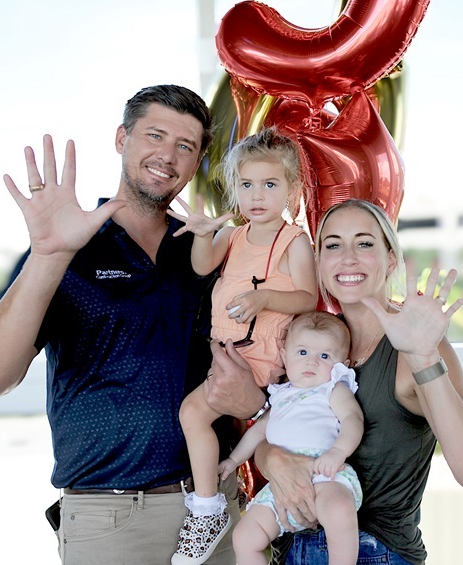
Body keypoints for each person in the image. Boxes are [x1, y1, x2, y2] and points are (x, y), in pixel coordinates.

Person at [0, 84, 266, 565]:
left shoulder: (210, 252)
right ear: (122, 138)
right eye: (155, 135)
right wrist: (48, 257)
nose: (167, 156)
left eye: (185, 146)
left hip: (217, 512)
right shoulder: (64, 246)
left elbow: (260, 365)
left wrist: (253, 398)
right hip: (111, 521)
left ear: (197, 162)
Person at [255, 199, 463, 565]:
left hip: (376, 553)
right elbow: (277, 426)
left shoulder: (417, 345)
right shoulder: (309, 341)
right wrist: (271, 457)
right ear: (320, 262)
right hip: (294, 549)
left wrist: (423, 356)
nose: (348, 257)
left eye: (365, 243)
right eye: (333, 245)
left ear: (390, 259)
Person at [166, 127, 318, 564]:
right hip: (228, 352)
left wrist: (265, 297)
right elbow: (202, 265)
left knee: (193, 413)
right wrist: (200, 233)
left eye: (270, 185)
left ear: (291, 189)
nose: (257, 195)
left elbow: (307, 297)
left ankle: (207, 508)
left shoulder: (292, 241)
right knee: (193, 415)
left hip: (258, 355)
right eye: (246, 185)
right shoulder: (233, 235)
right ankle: (210, 503)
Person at [219, 311, 364, 565]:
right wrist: (232, 461)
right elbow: (257, 432)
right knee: (244, 537)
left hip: (324, 472)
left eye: (325, 356)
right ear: (285, 356)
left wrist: (337, 452)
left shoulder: (332, 389)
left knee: (340, 510)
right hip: (280, 487)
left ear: (343, 365)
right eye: (303, 352)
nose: (312, 362)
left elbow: (354, 420)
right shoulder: (280, 396)